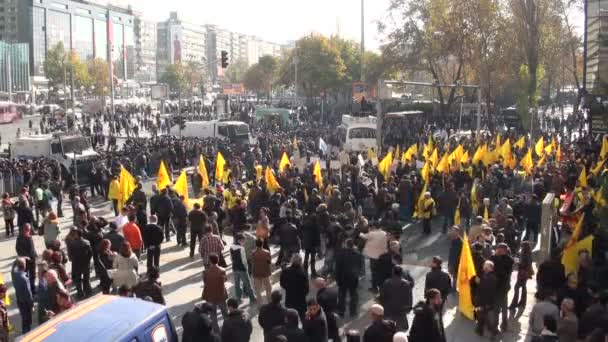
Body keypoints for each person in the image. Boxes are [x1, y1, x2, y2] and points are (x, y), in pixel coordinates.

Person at [334, 238, 364, 318]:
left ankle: (341, 312)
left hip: (342, 278)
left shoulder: (340, 254)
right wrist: (358, 275)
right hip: (353, 278)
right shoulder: (358, 254)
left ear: (346, 244)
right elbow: (361, 266)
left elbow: (337, 268)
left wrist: (337, 278)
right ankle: (353, 312)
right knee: (353, 295)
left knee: (341, 295)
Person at [379, 265, 413, 332]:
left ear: (393, 272)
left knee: (389, 328)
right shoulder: (406, 283)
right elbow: (409, 297)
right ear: (401, 273)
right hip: (401, 310)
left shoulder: (387, 282)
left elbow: (382, 296)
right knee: (401, 328)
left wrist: (382, 306)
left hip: (389, 309)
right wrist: (409, 307)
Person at [489, 243, 514, 331]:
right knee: (500, 307)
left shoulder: (509, 260)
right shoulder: (494, 258)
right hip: (498, 287)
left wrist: (497, 258)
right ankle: (499, 325)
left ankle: (502, 325)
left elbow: (505, 273)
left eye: (499, 249)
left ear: (503, 250)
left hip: (502, 287)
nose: (498, 250)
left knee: (500, 308)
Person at [202, 253, 228, 332]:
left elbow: (205, 282)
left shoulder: (205, 272)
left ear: (210, 261)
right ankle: (227, 329)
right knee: (225, 314)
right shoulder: (222, 270)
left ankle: (216, 332)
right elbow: (225, 280)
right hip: (221, 295)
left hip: (210, 296)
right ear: (218, 260)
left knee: (213, 316)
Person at [280, 254, 309, 320]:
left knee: (290, 320)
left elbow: (282, 284)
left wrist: (289, 288)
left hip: (290, 299)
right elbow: (306, 290)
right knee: (304, 319)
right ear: (300, 261)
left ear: (292, 261)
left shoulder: (285, 271)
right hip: (301, 301)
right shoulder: (303, 273)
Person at [360, 223, 388, 292]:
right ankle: (381, 285)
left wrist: (361, 232)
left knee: (374, 272)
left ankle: (374, 288)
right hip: (382, 256)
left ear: (374, 227)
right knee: (380, 271)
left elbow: (363, 236)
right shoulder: (384, 233)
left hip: (374, 257)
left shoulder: (372, 233)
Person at [475, 260, 499, 337]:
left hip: (486, 302)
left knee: (485, 317)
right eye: (484, 266)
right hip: (482, 301)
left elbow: (488, 290)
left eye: (486, 266)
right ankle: (480, 330)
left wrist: (479, 282)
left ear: (490, 268)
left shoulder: (492, 278)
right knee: (481, 316)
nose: (484, 267)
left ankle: (492, 332)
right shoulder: (485, 275)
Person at [231, 233, 257, 304]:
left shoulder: (232, 246)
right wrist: (246, 268)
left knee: (237, 284)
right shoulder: (241, 249)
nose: (244, 241)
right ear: (239, 240)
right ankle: (252, 298)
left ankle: (238, 298)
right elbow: (244, 260)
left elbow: (231, 258)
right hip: (242, 269)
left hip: (235, 268)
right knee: (247, 284)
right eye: (243, 240)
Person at [66, 228, 92, 298]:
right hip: (85, 263)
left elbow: (71, 254)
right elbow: (90, 253)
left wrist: (72, 259)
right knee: (86, 278)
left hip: (76, 264)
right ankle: (88, 290)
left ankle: (80, 293)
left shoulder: (72, 244)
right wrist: (88, 260)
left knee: (78, 279)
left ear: (77, 235)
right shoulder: (87, 242)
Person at [11, 257, 33, 333]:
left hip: (19, 300)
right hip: (26, 303)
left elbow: (13, 268)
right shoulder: (24, 279)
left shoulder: (14, 274)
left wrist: (17, 261)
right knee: (28, 321)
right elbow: (28, 293)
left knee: (24, 318)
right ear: (24, 266)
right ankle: (26, 334)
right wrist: (31, 305)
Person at [314, 278, 340, 342]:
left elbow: (321, 310)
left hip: (327, 317)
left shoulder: (320, 296)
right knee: (335, 333)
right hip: (335, 314)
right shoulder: (333, 291)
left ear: (318, 286)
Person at [510, 240, 533, 309]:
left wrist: (517, 262)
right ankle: (522, 302)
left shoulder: (525, 255)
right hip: (525, 273)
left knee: (517, 287)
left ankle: (515, 303)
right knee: (523, 287)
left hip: (522, 273)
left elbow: (523, 264)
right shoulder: (528, 254)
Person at [15, 224, 37, 295]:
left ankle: (30, 288)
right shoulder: (27, 238)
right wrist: (28, 256)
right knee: (31, 275)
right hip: (29, 260)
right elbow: (30, 250)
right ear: (26, 229)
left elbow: (17, 248)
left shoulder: (20, 237)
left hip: (25, 259)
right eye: (28, 230)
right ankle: (31, 289)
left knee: (28, 275)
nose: (29, 231)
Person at [252, 239, 273, 304]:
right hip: (265, 272)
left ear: (256, 244)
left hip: (256, 273)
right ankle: (269, 302)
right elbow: (269, 262)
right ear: (263, 244)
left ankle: (260, 303)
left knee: (258, 290)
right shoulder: (267, 252)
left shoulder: (253, 252)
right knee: (268, 289)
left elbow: (252, 262)